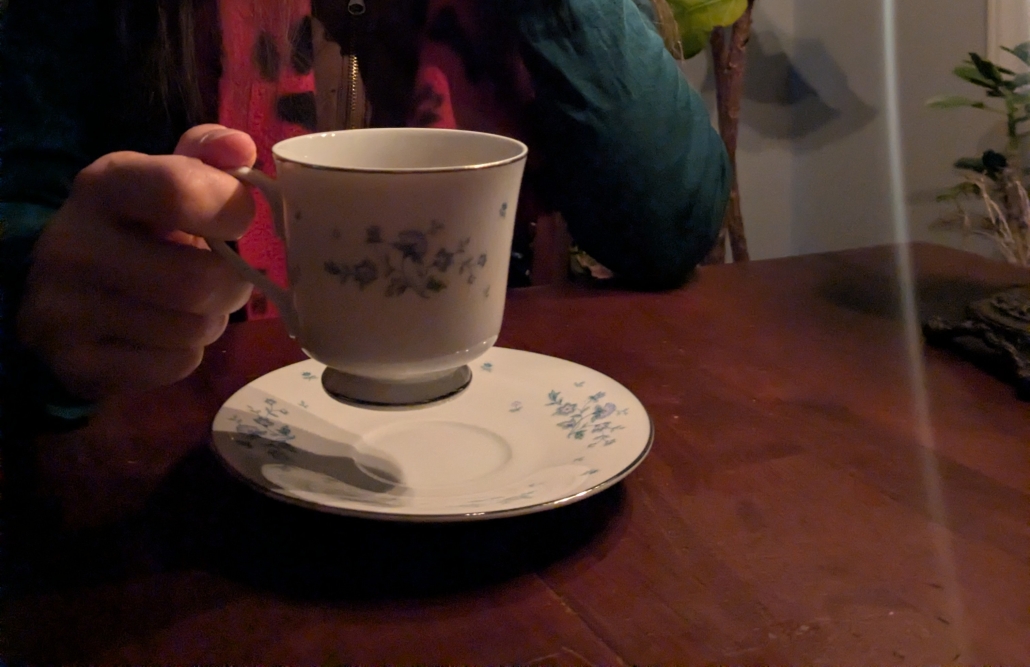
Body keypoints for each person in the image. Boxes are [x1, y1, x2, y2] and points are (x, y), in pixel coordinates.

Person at [0, 0, 730, 423]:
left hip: (499, 446)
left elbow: (668, 229)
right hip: (195, 474)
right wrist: (47, 300)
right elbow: (25, 210)